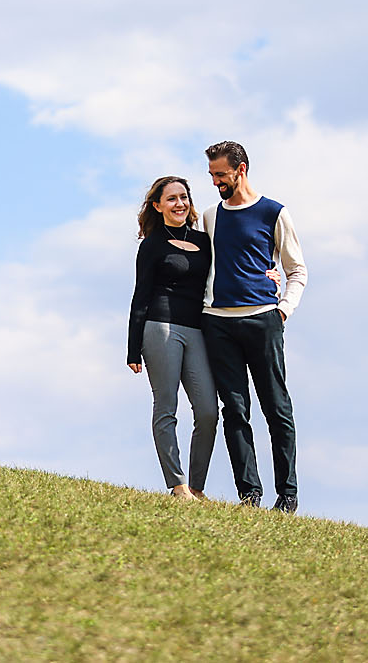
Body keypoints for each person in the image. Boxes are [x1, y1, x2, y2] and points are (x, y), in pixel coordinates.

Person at [201, 140, 307, 513]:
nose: (216, 182)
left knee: (276, 407)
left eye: (221, 174)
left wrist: (283, 310)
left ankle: (288, 494)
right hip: (217, 323)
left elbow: (297, 270)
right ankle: (249, 493)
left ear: (240, 169)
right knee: (234, 409)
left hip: (263, 320)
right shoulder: (211, 216)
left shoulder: (274, 213)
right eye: (212, 175)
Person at [127, 175, 218, 500]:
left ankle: (197, 486)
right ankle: (178, 485)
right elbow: (141, 296)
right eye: (171, 199)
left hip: (197, 330)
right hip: (159, 326)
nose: (179, 203)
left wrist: (268, 273)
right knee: (166, 406)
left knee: (208, 410)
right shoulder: (152, 245)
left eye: (184, 197)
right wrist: (133, 349)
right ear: (157, 206)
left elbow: (228, 271)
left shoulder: (204, 241)